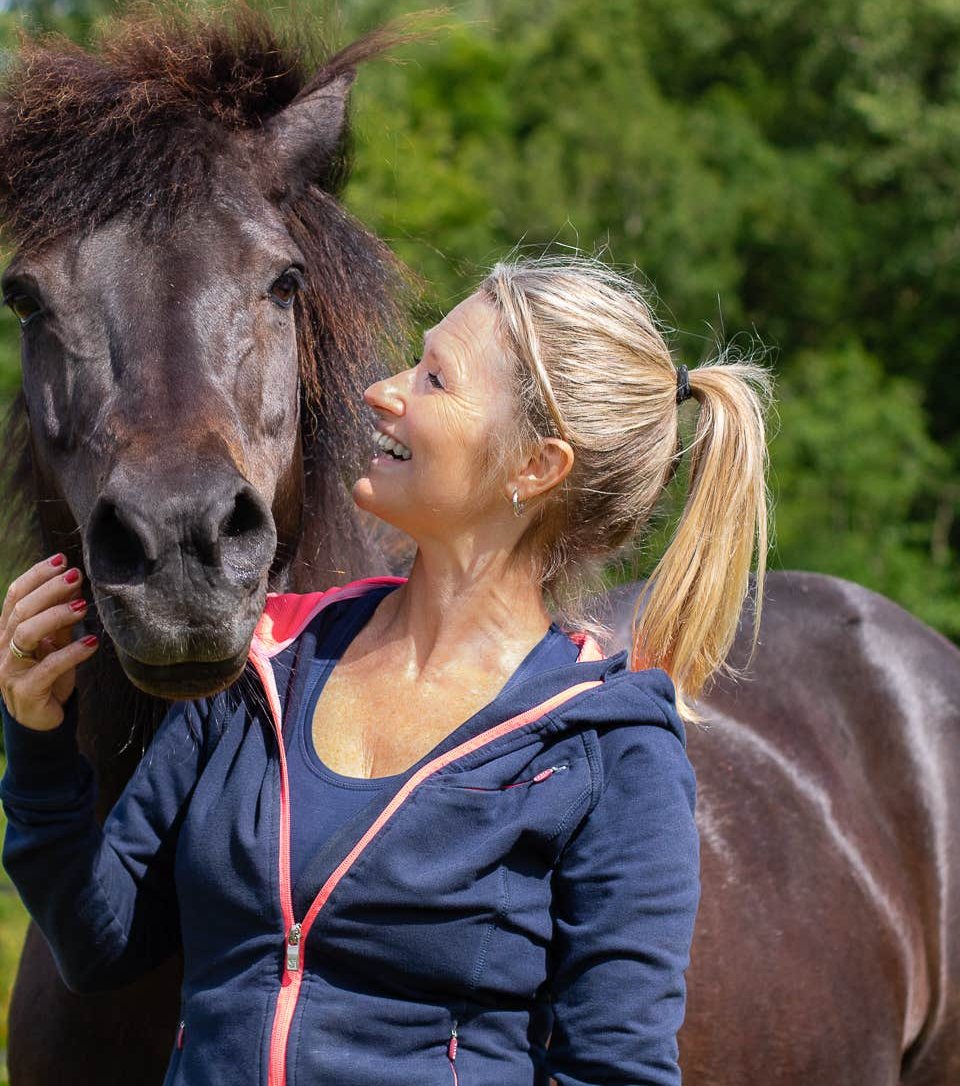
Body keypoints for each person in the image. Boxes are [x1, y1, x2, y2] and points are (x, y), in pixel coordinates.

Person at [0, 256, 771, 1085]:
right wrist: (39, 740)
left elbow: (615, 1071)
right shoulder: (268, 659)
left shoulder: (609, 751)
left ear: (535, 467)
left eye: (435, 380)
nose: (383, 390)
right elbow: (97, 943)